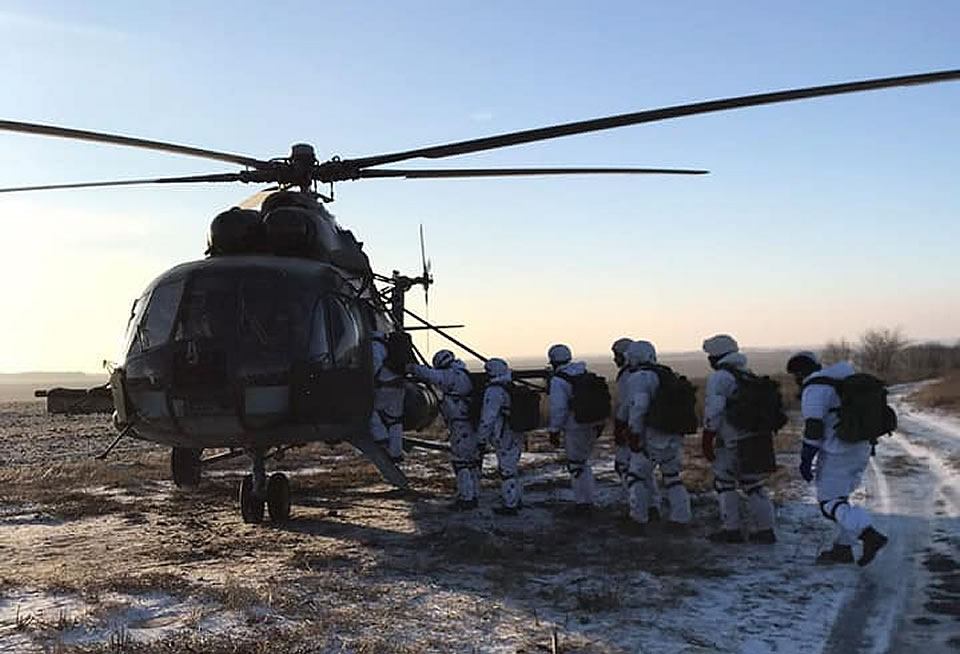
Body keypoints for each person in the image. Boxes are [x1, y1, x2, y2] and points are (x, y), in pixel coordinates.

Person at [787, 351, 889, 565]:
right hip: (860, 446)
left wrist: (806, 458)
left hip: (838, 450)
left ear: (798, 373)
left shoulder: (815, 389)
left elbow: (814, 427)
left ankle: (868, 535)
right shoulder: (842, 380)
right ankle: (843, 549)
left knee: (829, 503)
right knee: (841, 500)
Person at [701, 334, 776, 543]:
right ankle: (765, 529)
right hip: (755, 436)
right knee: (753, 484)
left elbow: (714, 410)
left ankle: (731, 529)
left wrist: (708, 436)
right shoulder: (746, 373)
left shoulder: (720, 378)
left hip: (731, 440)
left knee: (724, 483)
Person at [624, 340, 692, 533]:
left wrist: (634, 433)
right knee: (672, 477)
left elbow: (639, 407)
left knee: (636, 476)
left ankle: (639, 519)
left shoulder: (639, 377)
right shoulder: (666, 374)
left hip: (651, 436)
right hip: (672, 434)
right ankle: (681, 518)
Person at [407, 349, 479, 510]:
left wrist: (411, 367)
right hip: (467, 425)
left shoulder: (451, 376)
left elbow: (431, 376)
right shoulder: (461, 374)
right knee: (471, 462)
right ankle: (473, 495)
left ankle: (466, 499)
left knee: (461, 464)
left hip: (460, 426)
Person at [546, 344, 604, 513]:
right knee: (584, 462)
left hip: (574, 426)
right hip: (591, 424)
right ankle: (587, 499)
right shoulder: (582, 373)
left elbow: (559, 408)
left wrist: (554, 430)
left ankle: (583, 503)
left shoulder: (559, 380)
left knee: (577, 465)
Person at [476, 358, 523, 515]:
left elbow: (487, 418)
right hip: (515, 431)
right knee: (512, 468)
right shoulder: (509, 385)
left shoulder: (494, 391)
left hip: (504, 433)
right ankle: (516, 499)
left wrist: (481, 439)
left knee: (506, 471)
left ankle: (510, 505)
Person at [370, 330, 405, 463]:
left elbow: (373, 366)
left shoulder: (375, 347)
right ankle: (396, 453)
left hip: (385, 388)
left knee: (367, 409)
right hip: (398, 388)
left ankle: (381, 438)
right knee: (395, 421)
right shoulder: (388, 345)